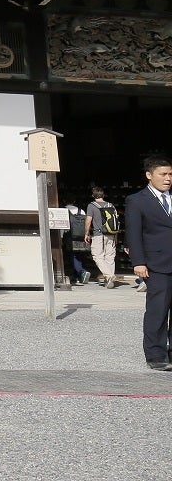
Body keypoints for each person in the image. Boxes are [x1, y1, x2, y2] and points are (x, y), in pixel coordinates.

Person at [126, 154, 172, 371]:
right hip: (156, 264)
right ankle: (156, 355)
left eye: (170, 174)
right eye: (163, 174)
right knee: (158, 310)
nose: (168, 178)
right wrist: (139, 262)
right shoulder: (137, 200)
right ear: (149, 175)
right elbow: (134, 234)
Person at [85, 185, 120, 287]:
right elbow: (115, 221)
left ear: (93, 195)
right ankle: (110, 279)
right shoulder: (111, 205)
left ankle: (109, 276)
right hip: (111, 234)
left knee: (97, 256)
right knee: (110, 256)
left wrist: (86, 233)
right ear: (103, 195)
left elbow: (88, 220)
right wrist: (116, 236)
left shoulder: (91, 206)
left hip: (98, 234)